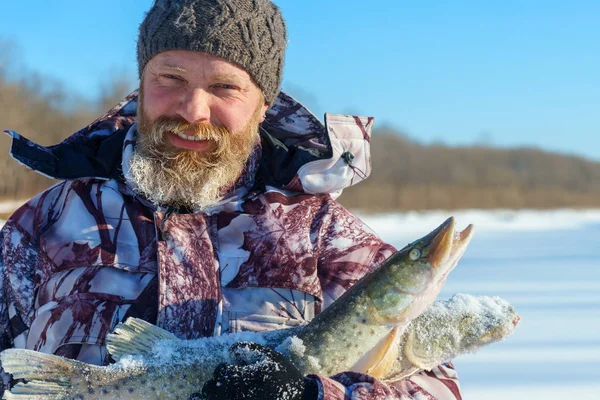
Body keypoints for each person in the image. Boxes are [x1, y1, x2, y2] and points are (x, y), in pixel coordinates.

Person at [0, 0, 462, 398]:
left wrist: (314, 394)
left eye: (224, 87)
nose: (193, 109)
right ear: (140, 88)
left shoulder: (327, 236)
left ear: (264, 105)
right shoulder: (42, 225)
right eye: (171, 78)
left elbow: (434, 385)